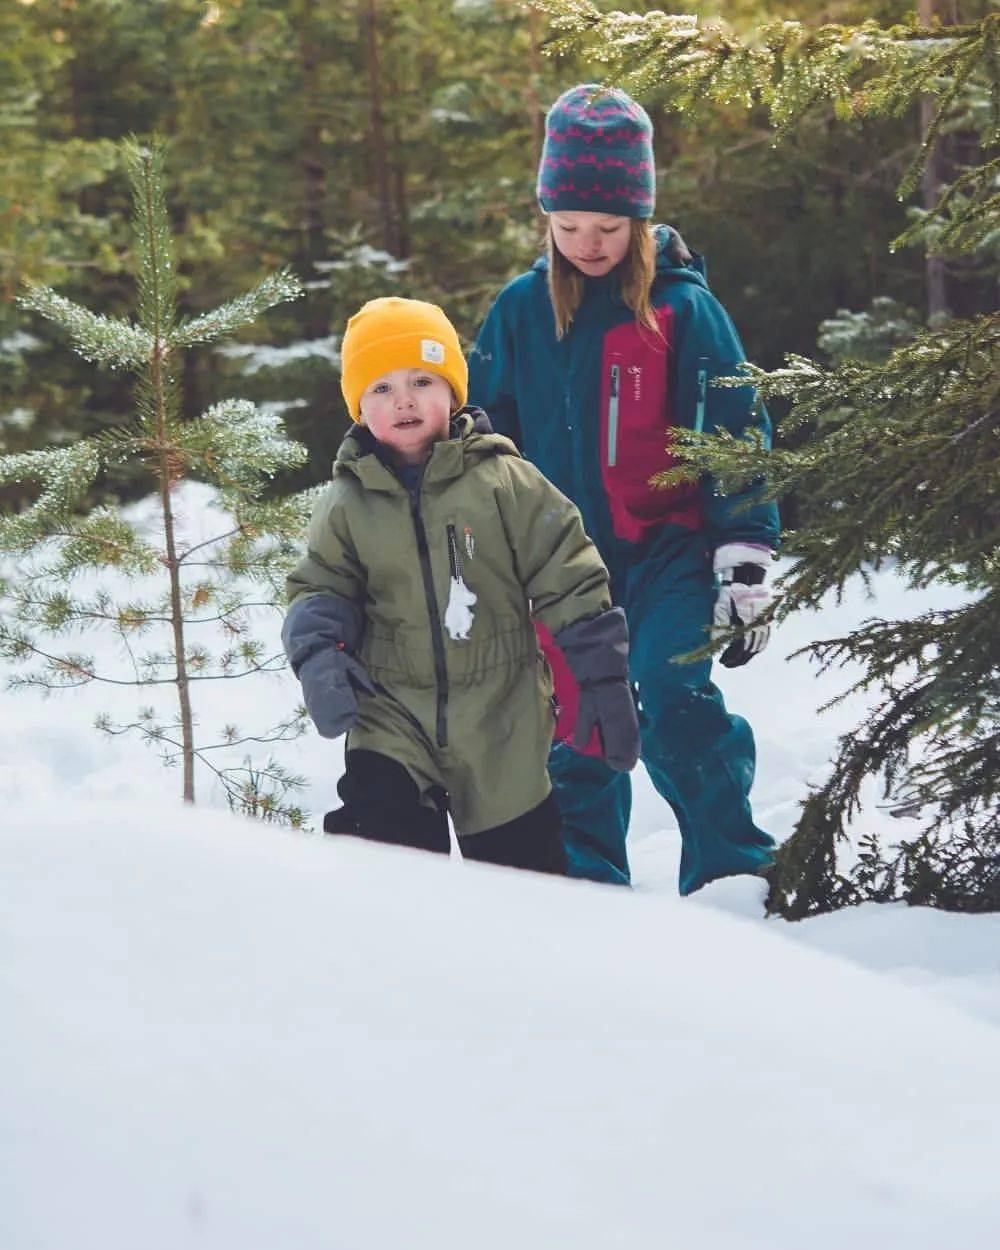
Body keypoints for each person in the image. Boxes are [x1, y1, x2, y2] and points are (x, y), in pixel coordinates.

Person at [468, 84, 780, 894]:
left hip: (668, 548)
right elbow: (481, 428)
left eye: (607, 227)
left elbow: (734, 431)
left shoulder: (682, 310)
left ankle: (733, 873)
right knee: (574, 726)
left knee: (675, 697)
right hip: (564, 566)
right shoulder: (521, 310)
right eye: (567, 226)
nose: (586, 243)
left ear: (639, 219)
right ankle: (584, 891)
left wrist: (742, 560)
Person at [282, 296, 640, 874]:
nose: (403, 400)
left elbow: (568, 571)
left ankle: (515, 961)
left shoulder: (506, 481)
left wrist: (601, 675)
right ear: (358, 406)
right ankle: (398, 958)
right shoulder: (347, 502)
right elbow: (320, 588)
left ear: (452, 390)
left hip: (503, 711)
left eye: (422, 380)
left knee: (521, 874)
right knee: (381, 848)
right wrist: (318, 655)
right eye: (380, 388)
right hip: (391, 707)